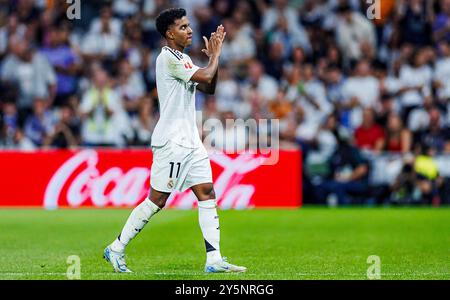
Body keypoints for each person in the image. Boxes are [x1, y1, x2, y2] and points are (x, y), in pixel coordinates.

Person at [103, 8, 246, 274]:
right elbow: (205, 76)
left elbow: (208, 86)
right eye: (183, 27)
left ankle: (214, 259)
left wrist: (214, 61)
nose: (190, 30)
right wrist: (214, 57)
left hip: (190, 140)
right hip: (172, 141)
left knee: (207, 193)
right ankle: (116, 247)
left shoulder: (184, 58)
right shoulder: (167, 58)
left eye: (189, 26)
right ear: (169, 33)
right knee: (157, 200)